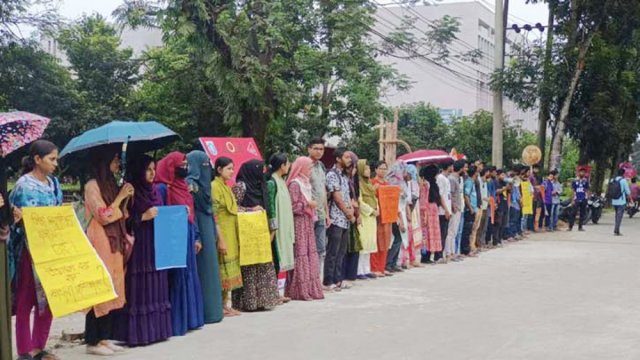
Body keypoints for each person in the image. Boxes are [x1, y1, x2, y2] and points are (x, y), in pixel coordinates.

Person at [9, 140, 62, 360]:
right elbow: (13, 218)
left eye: (56, 159)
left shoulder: (54, 183)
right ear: (37, 160)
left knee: (49, 300)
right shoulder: (23, 185)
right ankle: (24, 350)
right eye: (52, 159)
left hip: (52, 250)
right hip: (31, 252)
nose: (55, 164)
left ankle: (39, 347)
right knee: (26, 300)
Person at [113, 155, 172, 346]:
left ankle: (157, 331)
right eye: (148, 169)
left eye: (154, 169)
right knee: (141, 286)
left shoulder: (155, 191)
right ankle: (139, 334)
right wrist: (143, 217)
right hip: (140, 246)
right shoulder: (131, 191)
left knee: (157, 284)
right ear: (139, 171)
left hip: (157, 244)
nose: (153, 173)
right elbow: (122, 221)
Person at [83, 146, 133, 355]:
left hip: (114, 240)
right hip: (100, 239)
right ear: (103, 161)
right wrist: (121, 197)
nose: (117, 163)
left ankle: (103, 338)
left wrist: (127, 196)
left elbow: (123, 213)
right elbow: (103, 215)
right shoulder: (92, 185)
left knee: (113, 286)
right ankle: (92, 341)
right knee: (99, 287)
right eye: (113, 159)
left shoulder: (110, 183)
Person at [155, 152, 205, 335]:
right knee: (178, 276)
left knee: (190, 274)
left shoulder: (183, 186)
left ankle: (192, 319)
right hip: (174, 238)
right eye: (182, 164)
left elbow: (191, 212)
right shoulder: (163, 189)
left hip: (189, 234)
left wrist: (197, 236)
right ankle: (178, 322)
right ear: (171, 167)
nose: (185, 167)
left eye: (186, 163)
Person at [232, 160, 280, 311]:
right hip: (247, 234)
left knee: (264, 265)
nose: (263, 172)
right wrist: (250, 210)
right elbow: (233, 209)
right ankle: (248, 303)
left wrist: (272, 228)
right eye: (260, 169)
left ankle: (263, 300)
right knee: (249, 268)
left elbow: (269, 207)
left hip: (261, 231)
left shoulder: (262, 184)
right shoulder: (241, 186)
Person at [187, 151, 224, 324]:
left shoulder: (205, 187)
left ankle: (214, 310)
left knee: (210, 266)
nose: (206, 168)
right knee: (203, 267)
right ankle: (206, 311)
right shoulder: (190, 185)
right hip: (197, 226)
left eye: (207, 164)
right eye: (202, 164)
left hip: (207, 222)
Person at [285, 156, 324, 301]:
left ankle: (310, 289)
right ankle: (299, 290)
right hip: (299, 222)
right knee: (301, 252)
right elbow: (293, 206)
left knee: (309, 253)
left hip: (307, 222)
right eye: (308, 168)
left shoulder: (305, 183)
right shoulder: (295, 184)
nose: (310, 171)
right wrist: (308, 205)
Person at [211, 157, 242, 316]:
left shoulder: (226, 186)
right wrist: (220, 238)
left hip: (231, 231)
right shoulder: (215, 187)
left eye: (232, 168)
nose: (232, 171)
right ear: (219, 169)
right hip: (222, 231)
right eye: (229, 168)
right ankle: (221, 306)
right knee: (222, 268)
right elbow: (214, 214)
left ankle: (226, 304)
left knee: (229, 269)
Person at [323, 148, 354, 291]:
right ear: (338, 159)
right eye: (347, 157)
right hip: (336, 218)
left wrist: (352, 211)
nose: (349, 159)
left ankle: (338, 279)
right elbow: (337, 197)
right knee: (333, 251)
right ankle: (328, 280)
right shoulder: (332, 174)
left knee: (341, 251)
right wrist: (348, 212)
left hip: (345, 219)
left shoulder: (344, 176)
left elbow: (347, 197)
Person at [266, 153, 295, 292]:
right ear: (282, 165)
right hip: (277, 229)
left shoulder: (282, 180)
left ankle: (278, 292)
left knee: (281, 258)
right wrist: (273, 228)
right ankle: (274, 292)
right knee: (276, 259)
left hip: (284, 226)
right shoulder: (272, 182)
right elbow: (271, 207)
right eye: (288, 163)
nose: (289, 166)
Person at [307, 139, 329, 280]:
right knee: (308, 248)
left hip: (321, 213)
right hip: (308, 213)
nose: (319, 151)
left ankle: (317, 280)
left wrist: (327, 213)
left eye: (321, 149)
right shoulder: (304, 165)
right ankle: (309, 279)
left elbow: (323, 191)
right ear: (309, 149)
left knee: (321, 248)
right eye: (316, 148)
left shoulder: (321, 166)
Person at [385, 161, 409, 273]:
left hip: (400, 211)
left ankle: (393, 263)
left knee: (399, 238)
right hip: (395, 212)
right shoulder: (394, 182)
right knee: (397, 238)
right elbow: (396, 200)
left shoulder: (401, 181)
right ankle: (389, 263)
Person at [356, 160, 379, 279]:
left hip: (372, 217)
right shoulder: (358, 184)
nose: (368, 171)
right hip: (364, 217)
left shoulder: (369, 184)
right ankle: (359, 271)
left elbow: (374, 198)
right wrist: (370, 210)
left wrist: (377, 208)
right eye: (365, 169)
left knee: (370, 243)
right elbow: (360, 201)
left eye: (369, 169)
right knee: (363, 243)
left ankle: (367, 269)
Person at [369, 161, 392, 277]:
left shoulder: (387, 184)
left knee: (385, 242)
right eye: (381, 168)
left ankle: (382, 267)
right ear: (376, 169)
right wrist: (373, 189)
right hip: (377, 216)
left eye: (385, 169)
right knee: (377, 241)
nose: (383, 171)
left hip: (387, 216)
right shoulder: (372, 182)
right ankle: (374, 268)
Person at [342, 151, 361, 285]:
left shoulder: (353, 181)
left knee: (354, 245)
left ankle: (351, 274)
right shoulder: (342, 179)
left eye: (354, 167)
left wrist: (357, 213)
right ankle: (342, 275)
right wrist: (351, 211)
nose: (353, 170)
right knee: (344, 246)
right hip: (344, 215)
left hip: (354, 215)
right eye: (351, 167)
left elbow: (356, 199)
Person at [419, 165, 443, 264]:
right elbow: (423, 199)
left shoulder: (434, 184)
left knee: (433, 233)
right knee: (427, 233)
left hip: (433, 210)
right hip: (428, 210)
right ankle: (425, 256)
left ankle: (433, 254)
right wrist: (424, 213)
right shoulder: (426, 184)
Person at [434, 161, 453, 262]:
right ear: (448, 166)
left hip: (447, 210)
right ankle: (438, 255)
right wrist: (445, 209)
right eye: (451, 166)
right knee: (441, 233)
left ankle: (441, 254)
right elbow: (440, 195)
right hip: (442, 211)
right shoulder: (441, 178)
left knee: (444, 233)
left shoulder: (446, 179)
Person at [445, 160, 464, 261]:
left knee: (454, 231)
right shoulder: (452, 179)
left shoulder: (457, 179)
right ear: (460, 168)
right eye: (464, 167)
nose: (466, 169)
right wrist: (454, 206)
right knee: (451, 231)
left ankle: (453, 252)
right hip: (454, 209)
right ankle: (449, 253)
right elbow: (451, 194)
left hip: (458, 207)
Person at [461, 165, 478, 255]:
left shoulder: (472, 182)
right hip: (469, 209)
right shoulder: (468, 182)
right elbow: (466, 195)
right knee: (467, 230)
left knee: (471, 229)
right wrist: (470, 208)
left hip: (474, 208)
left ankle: (470, 247)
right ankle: (465, 249)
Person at [611, 168, 632, 236]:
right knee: (619, 216)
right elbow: (627, 192)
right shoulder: (623, 181)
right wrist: (631, 199)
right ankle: (616, 230)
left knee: (617, 215)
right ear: (623, 173)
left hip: (614, 201)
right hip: (621, 201)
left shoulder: (612, 180)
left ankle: (616, 228)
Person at [569, 167, 590, 232]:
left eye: (584, 172)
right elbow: (573, 190)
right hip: (576, 198)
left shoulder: (586, 181)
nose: (582, 173)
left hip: (583, 198)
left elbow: (587, 190)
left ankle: (580, 227)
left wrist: (587, 198)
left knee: (582, 213)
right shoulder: (575, 181)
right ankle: (570, 226)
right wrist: (572, 199)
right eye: (581, 172)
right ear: (578, 173)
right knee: (573, 213)